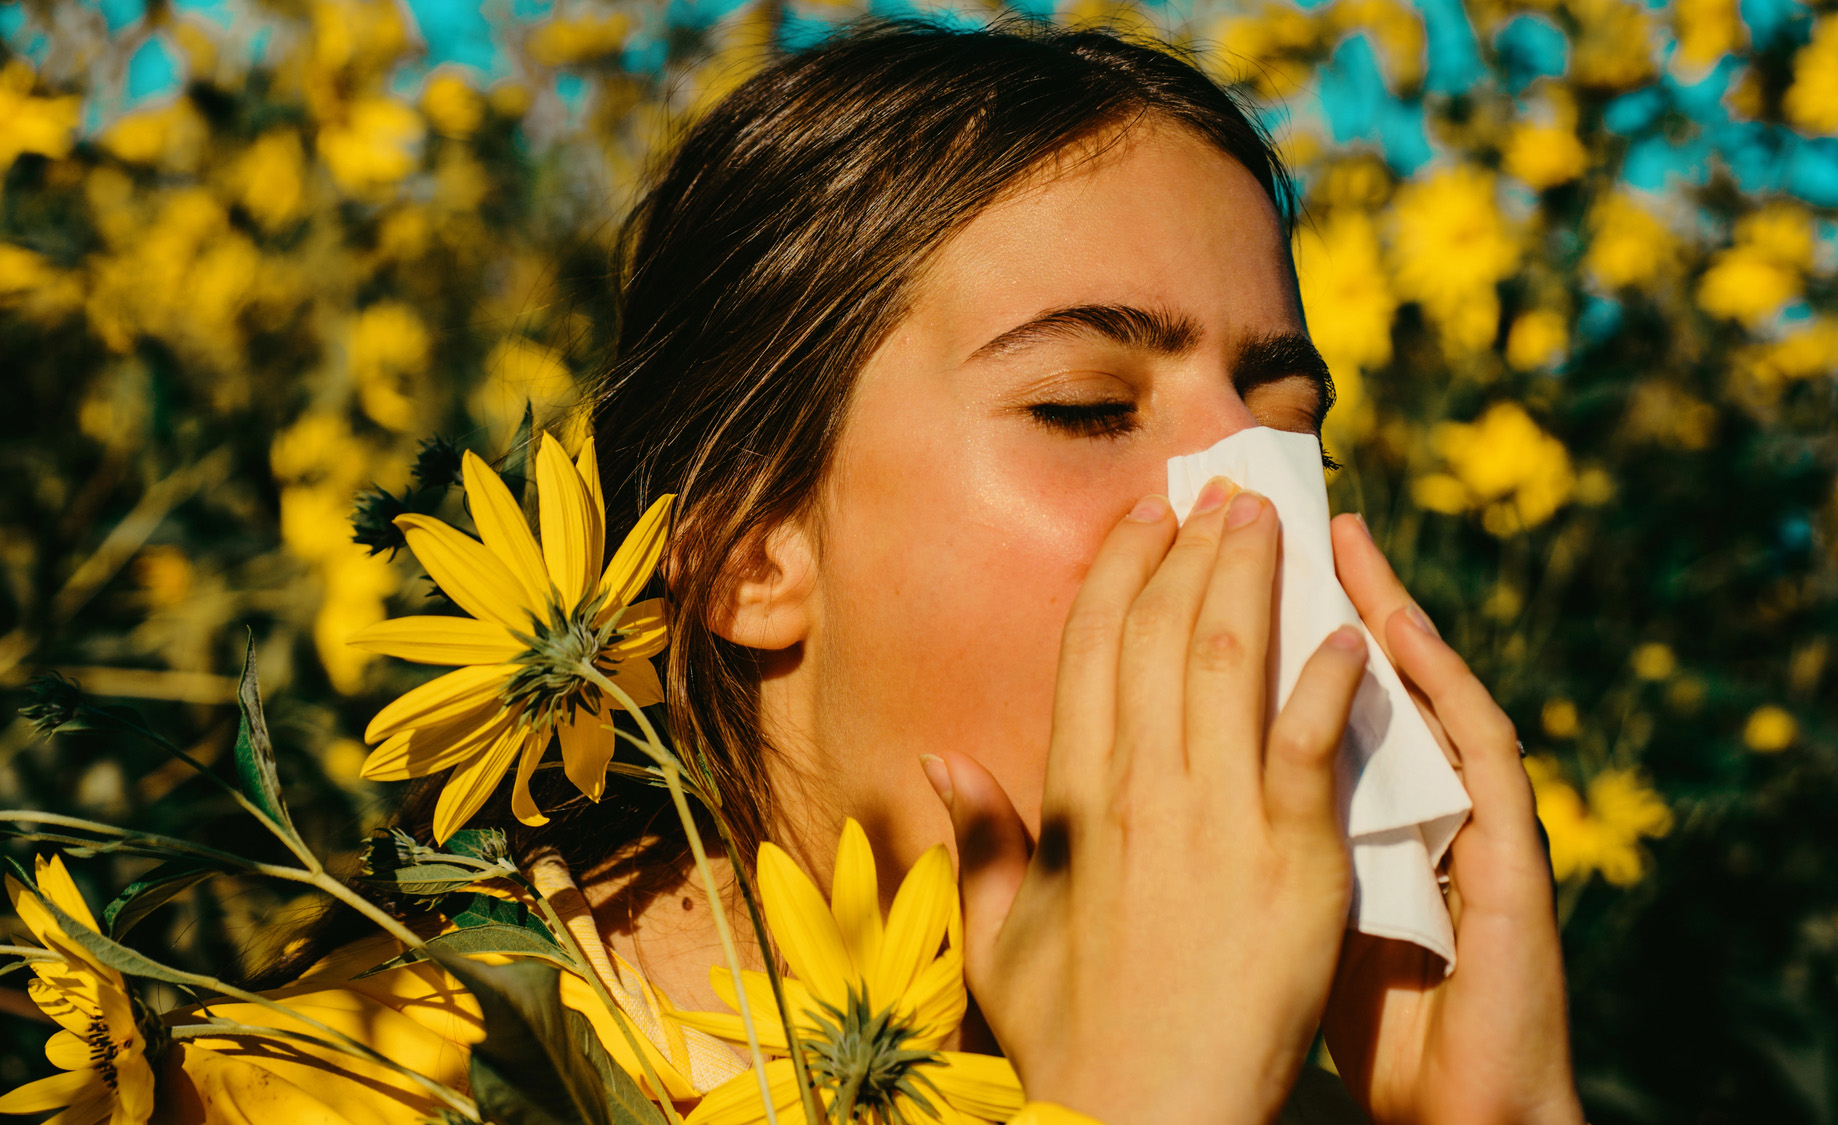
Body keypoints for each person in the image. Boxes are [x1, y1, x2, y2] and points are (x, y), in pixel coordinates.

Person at [62, 17, 1582, 1125]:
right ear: (746, 554)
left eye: (1289, 424)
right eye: (1083, 408)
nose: (1246, 516)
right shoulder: (355, 1081)